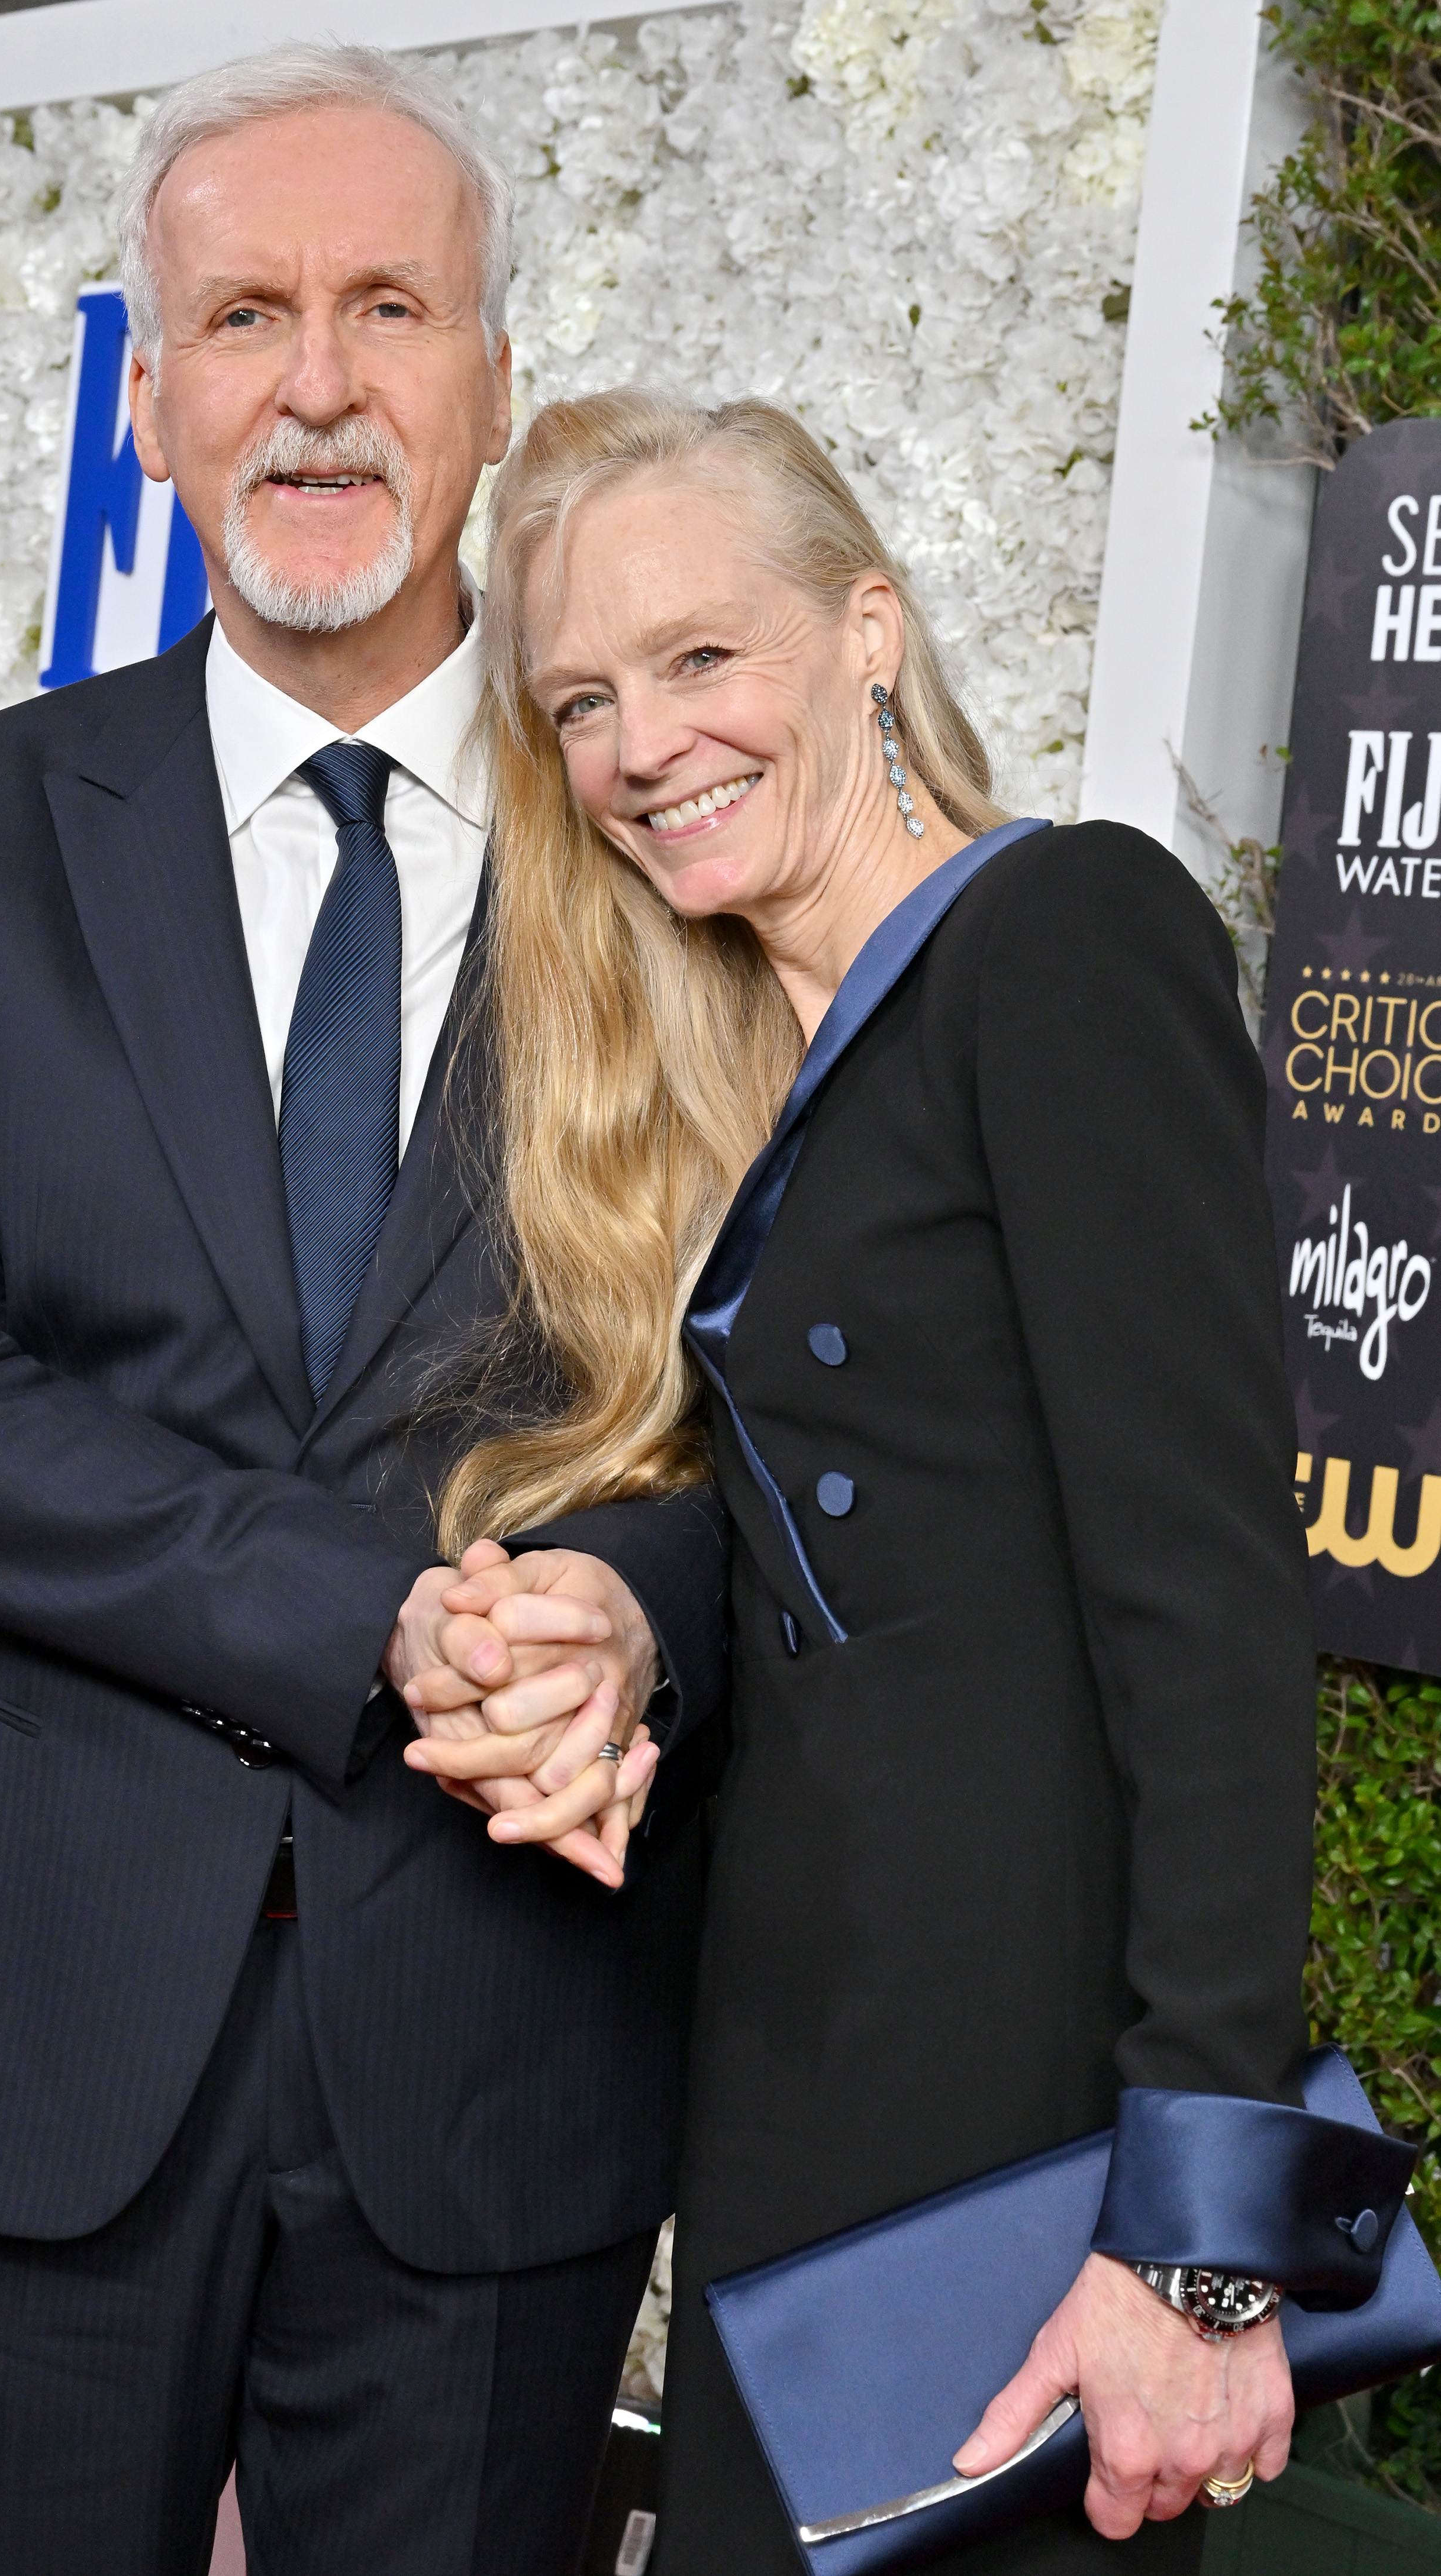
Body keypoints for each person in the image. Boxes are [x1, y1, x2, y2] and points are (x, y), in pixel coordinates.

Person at [0, 56, 726, 2576]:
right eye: (248, 315)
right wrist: (367, 1614)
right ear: (160, 393)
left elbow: (758, 1408)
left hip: (504, 2028)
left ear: (494, 384)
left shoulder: (663, 851)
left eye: (389, 306)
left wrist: (633, 1612)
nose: (318, 380)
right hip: (52, 2008)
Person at [399, 388, 1349, 2571]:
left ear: (870, 635)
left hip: (1017, 2164)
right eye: (583, 701)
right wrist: (608, 1651)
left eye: (704, 658)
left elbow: (1210, 1610)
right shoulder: (771, 1072)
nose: (645, 744)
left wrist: (1200, 2253)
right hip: (796, 2123)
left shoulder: (1067, 936)